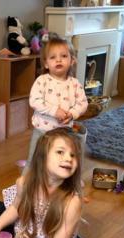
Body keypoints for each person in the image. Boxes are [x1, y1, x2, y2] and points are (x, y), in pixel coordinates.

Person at [0, 127, 83, 238]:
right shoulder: (25, 183)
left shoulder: (72, 202)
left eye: (73, 155)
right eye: (60, 152)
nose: (68, 158)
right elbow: (15, 208)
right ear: (42, 157)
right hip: (29, 233)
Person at [23, 34, 88, 175]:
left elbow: (83, 103)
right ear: (46, 63)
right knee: (33, 161)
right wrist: (54, 111)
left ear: (72, 60)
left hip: (64, 132)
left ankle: (69, 186)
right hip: (42, 132)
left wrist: (72, 114)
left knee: (64, 162)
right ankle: (24, 187)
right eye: (53, 57)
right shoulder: (42, 81)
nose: (58, 60)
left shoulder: (75, 84)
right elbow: (34, 100)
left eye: (64, 56)